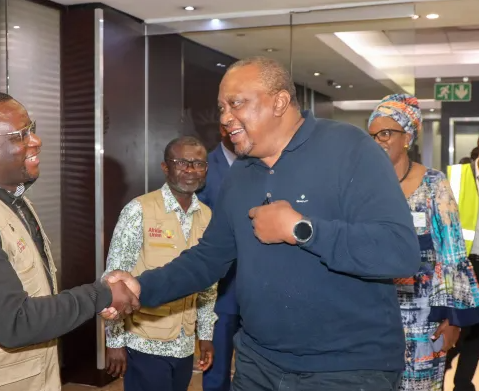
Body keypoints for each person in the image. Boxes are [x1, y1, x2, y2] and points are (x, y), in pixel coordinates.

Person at [102, 56, 422, 391]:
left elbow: (399, 251)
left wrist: (302, 230)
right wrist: (142, 286)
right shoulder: (241, 173)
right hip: (258, 364)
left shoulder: (351, 149)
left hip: (347, 369)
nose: (225, 118)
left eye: (236, 104)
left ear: (280, 101)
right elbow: (207, 259)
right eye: (222, 107)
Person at [0, 91, 139, 391]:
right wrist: (102, 295)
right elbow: (16, 322)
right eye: (21, 135)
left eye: (31, 129)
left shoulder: (6, 196)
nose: (36, 141)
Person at [368, 93, 479, 391]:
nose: (378, 140)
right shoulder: (363, 185)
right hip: (371, 317)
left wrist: (452, 318)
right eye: (373, 135)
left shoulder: (434, 184)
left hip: (423, 322)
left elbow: (452, 254)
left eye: (386, 133)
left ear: (408, 136)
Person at [103, 136, 217, 391]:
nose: (190, 170)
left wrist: (206, 335)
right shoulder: (138, 210)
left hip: (184, 342)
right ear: (166, 167)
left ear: (206, 170)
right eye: (181, 163)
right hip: (144, 341)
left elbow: (209, 282)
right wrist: (114, 341)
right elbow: (114, 280)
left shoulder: (208, 217)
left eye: (198, 164)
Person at [197, 125, 241, 391]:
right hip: (220, 289)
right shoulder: (205, 168)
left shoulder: (260, 161)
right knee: (216, 366)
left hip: (255, 285)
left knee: (254, 366)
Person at [445, 149, 479, 391]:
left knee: (477, 330)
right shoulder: (457, 177)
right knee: (458, 325)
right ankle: (439, 371)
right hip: (462, 263)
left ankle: (464, 384)